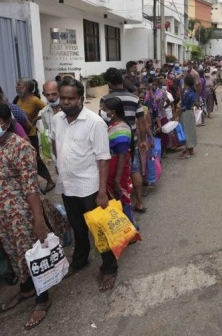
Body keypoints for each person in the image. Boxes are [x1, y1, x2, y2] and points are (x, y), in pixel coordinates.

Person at [0, 102, 51, 330]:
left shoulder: (21, 148)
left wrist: (38, 221)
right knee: (12, 253)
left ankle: (42, 299)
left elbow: (30, 188)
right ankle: (26, 290)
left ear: (6, 124)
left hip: (20, 213)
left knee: (31, 254)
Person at [50, 78, 117, 291]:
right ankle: (80, 260)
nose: (66, 102)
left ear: (81, 99)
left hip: (90, 187)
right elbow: (54, 142)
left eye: (71, 98)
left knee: (98, 229)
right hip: (67, 185)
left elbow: (103, 158)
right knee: (77, 226)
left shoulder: (94, 122)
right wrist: (58, 165)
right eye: (63, 98)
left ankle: (109, 267)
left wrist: (102, 192)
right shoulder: (57, 119)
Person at [102, 68, 150, 213]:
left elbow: (102, 122)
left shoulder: (105, 100)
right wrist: (142, 140)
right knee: (134, 170)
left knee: (117, 174)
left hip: (113, 144)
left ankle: (119, 204)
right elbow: (141, 121)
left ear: (109, 83)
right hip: (132, 141)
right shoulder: (134, 98)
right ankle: (140, 202)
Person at [100, 97, 136, 225]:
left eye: (105, 110)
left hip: (118, 170)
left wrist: (116, 180)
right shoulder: (113, 124)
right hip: (111, 167)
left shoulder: (121, 130)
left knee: (121, 197)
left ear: (113, 112)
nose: (102, 111)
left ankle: (129, 228)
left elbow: (122, 156)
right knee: (115, 199)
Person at [16, 78, 55, 193]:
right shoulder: (19, 99)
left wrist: (35, 120)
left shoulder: (35, 100)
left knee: (35, 159)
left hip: (31, 134)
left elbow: (47, 110)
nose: (16, 86)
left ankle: (49, 180)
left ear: (26, 87)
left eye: (19, 85)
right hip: (21, 133)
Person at [39, 80, 62, 160]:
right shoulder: (44, 112)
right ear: (43, 94)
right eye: (48, 95)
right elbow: (48, 131)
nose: (51, 97)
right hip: (55, 155)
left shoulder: (68, 110)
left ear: (60, 92)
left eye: (54, 94)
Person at [177, 74, 198, 159]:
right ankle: (191, 149)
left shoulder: (186, 92)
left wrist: (177, 112)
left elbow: (183, 105)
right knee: (191, 131)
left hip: (185, 113)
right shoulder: (193, 90)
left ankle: (187, 152)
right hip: (191, 112)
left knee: (186, 132)